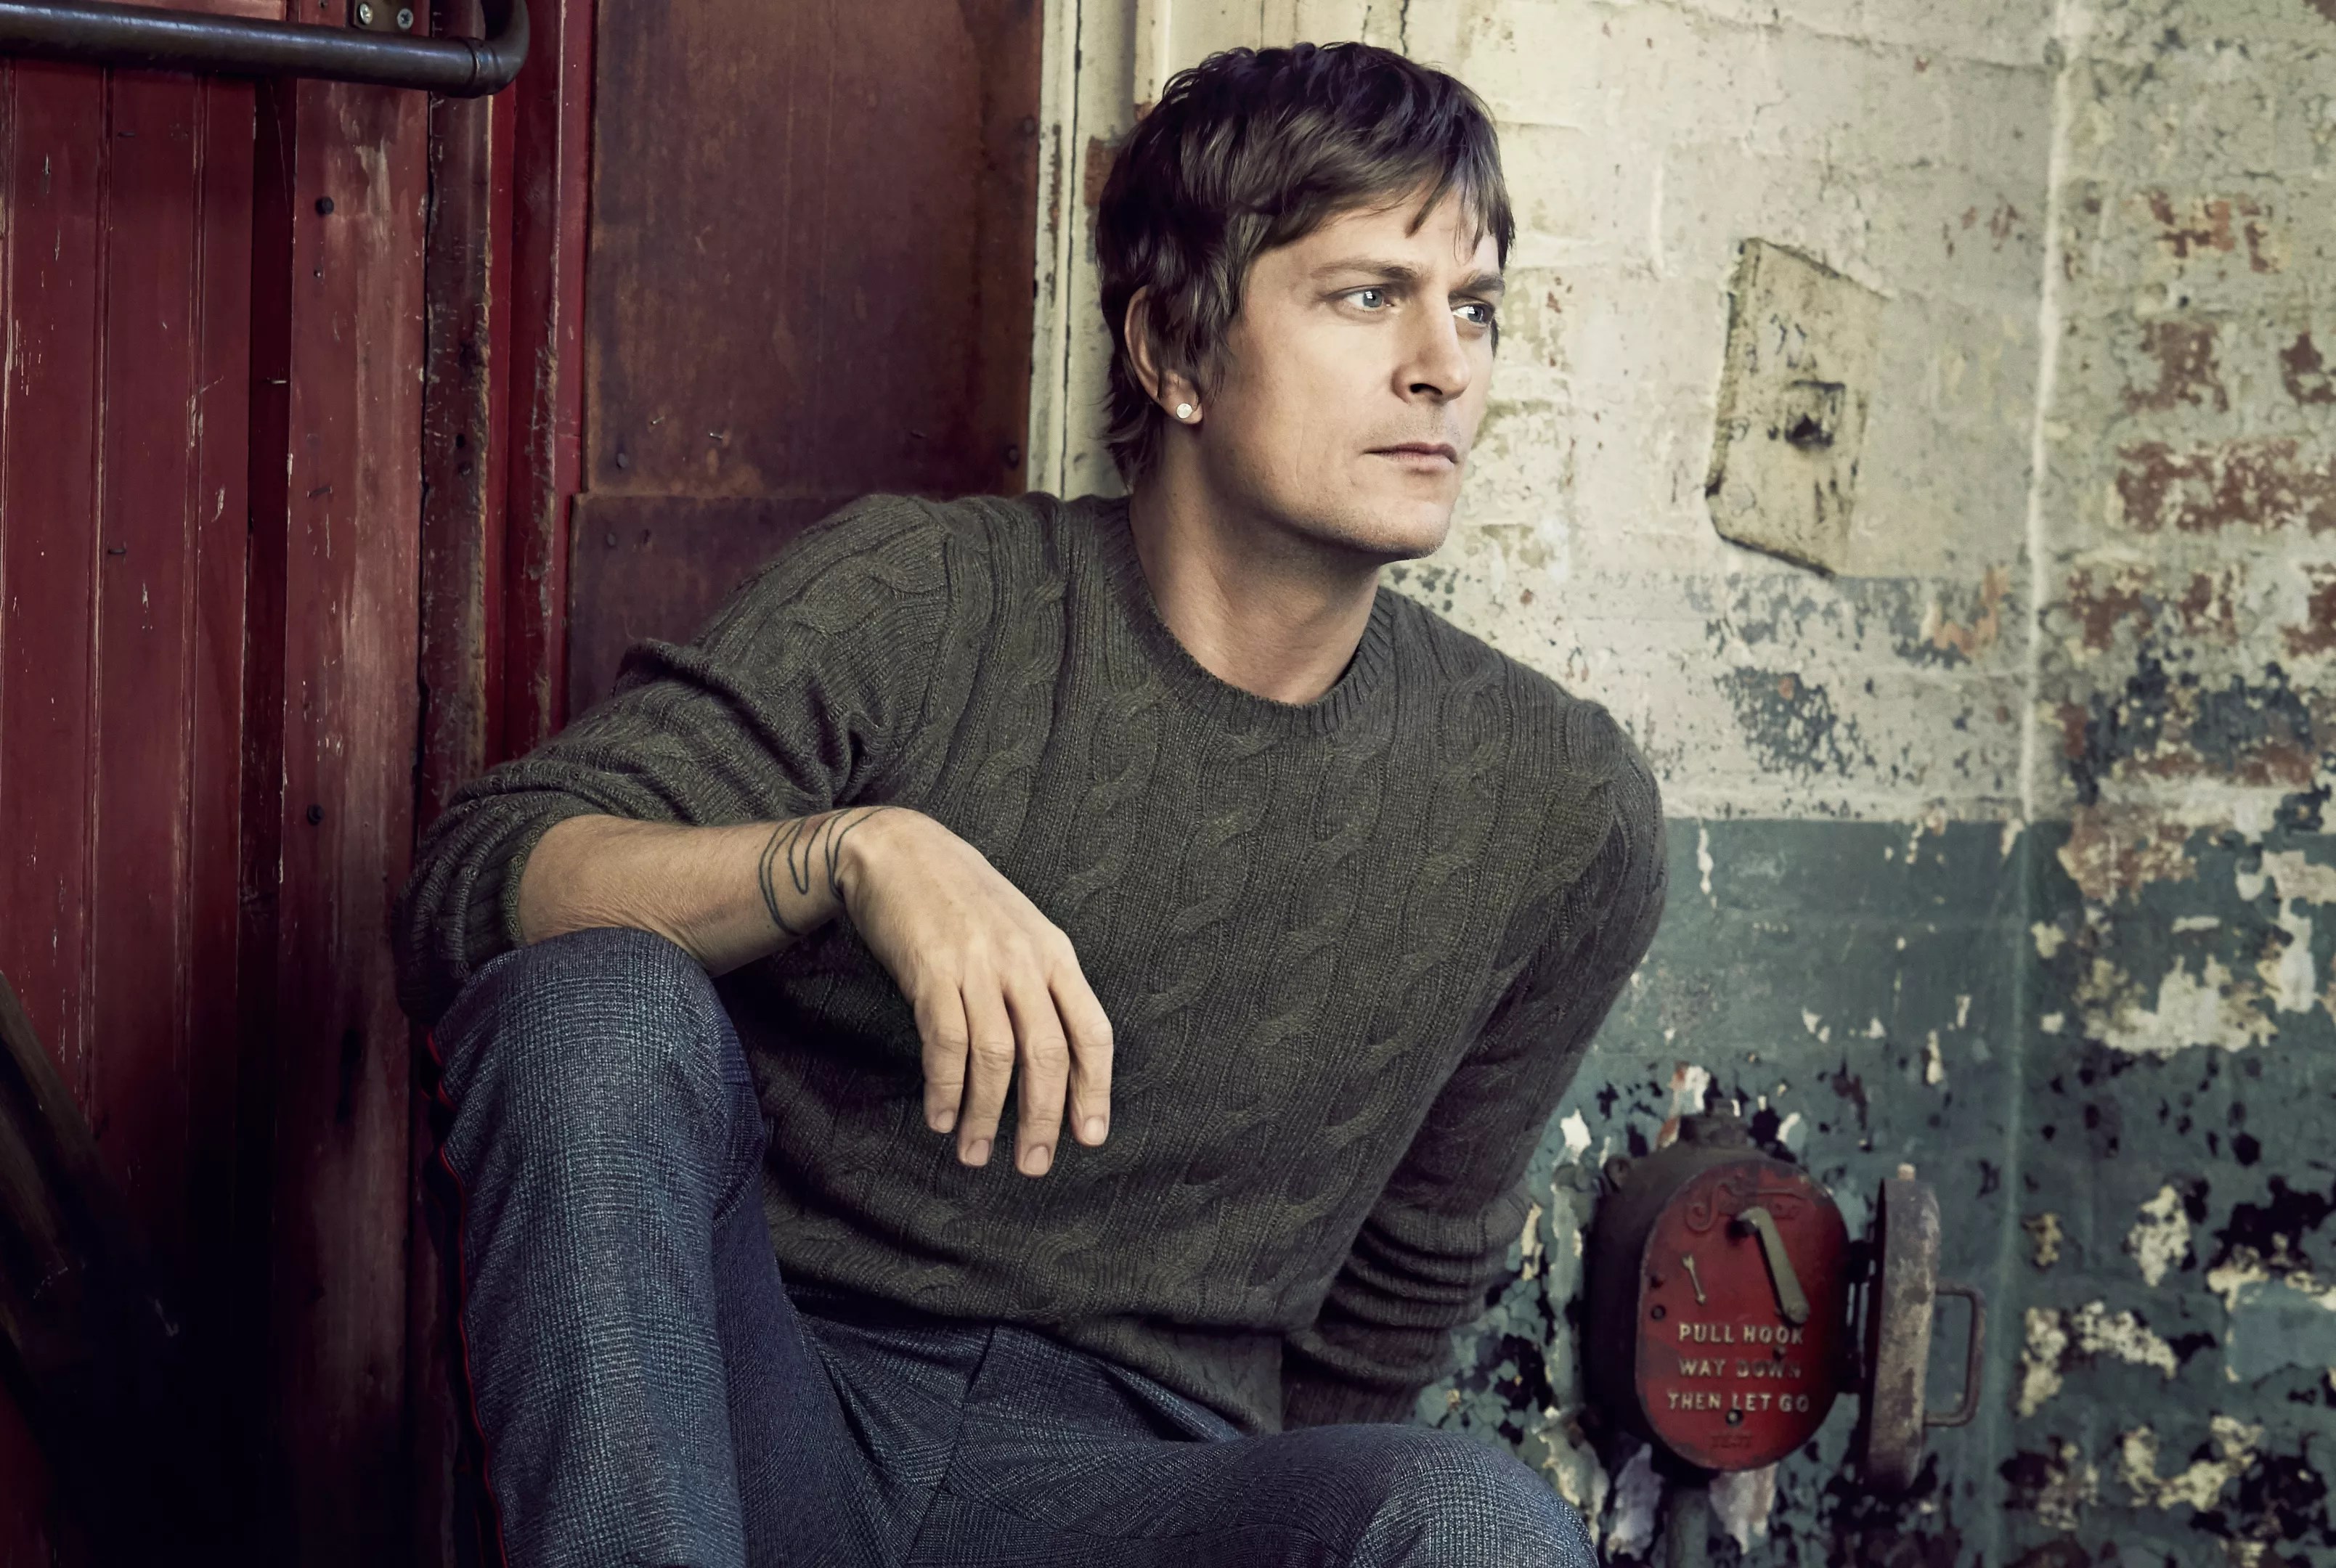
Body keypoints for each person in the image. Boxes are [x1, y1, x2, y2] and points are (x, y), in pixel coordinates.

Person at [396, 39, 1663, 1568]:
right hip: (761, 1427)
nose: (1443, 367)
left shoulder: (1556, 806)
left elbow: (1401, 1295)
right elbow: (476, 890)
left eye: (1474, 308)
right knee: (589, 1006)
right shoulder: (923, 602)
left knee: (1469, 1518)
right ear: (1174, 351)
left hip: (1141, 1496)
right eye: (1364, 295)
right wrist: (848, 855)